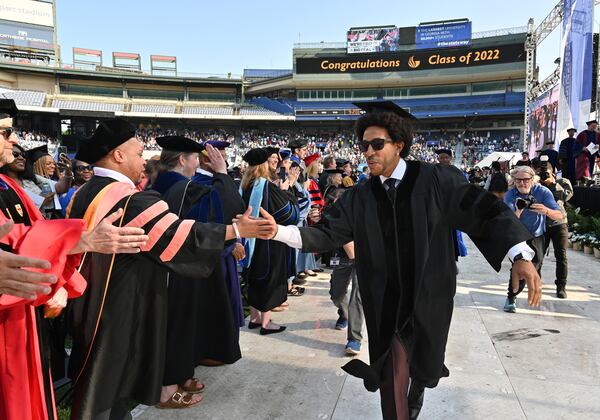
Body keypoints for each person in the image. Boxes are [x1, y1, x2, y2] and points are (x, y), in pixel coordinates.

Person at [260, 100, 541, 420]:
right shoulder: (359, 196)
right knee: (393, 376)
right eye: (364, 145)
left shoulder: (437, 179)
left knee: (422, 369)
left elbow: (483, 211)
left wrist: (519, 254)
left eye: (377, 144)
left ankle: (417, 390)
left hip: (430, 296)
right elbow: (326, 234)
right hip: (385, 303)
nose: (368, 152)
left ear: (399, 145)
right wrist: (278, 232)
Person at [66, 119, 275, 419]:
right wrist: (234, 230)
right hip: (118, 309)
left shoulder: (84, 193)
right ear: (118, 156)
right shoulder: (130, 200)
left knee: (99, 385)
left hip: (86, 302)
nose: (145, 160)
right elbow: (179, 237)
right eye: (138, 153)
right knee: (105, 391)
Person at [0, 100, 148, 420]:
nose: (13, 139)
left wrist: (81, 242)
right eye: (4, 132)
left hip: (22, 317)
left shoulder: (8, 186)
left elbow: (28, 238)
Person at [240, 147, 299, 335]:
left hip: (250, 239)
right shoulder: (265, 186)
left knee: (254, 276)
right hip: (268, 240)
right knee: (269, 276)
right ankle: (266, 323)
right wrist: (287, 190)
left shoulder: (245, 185)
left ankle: (256, 319)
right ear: (263, 164)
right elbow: (288, 214)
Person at [502, 165, 562, 313]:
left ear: (532, 180)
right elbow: (508, 222)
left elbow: (560, 215)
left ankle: (533, 291)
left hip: (537, 235)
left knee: (536, 265)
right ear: (514, 181)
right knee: (520, 265)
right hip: (518, 235)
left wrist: (546, 210)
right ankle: (511, 296)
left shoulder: (542, 192)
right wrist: (519, 210)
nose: (522, 183)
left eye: (526, 180)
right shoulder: (510, 195)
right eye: (518, 180)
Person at [325, 187, 365, 356]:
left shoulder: (363, 213)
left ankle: (355, 339)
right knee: (336, 293)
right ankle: (344, 314)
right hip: (341, 258)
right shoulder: (328, 214)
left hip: (363, 258)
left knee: (358, 296)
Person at [539, 163, 573, 298]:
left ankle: (561, 286)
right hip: (542, 224)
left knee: (562, 256)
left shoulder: (563, 182)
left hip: (559, 224)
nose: (544, 176)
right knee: (538, 256)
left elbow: (566, 197)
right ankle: (536, 283)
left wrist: (553, 184)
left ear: (552, 172)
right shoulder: (537, 184)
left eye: (546, 173)